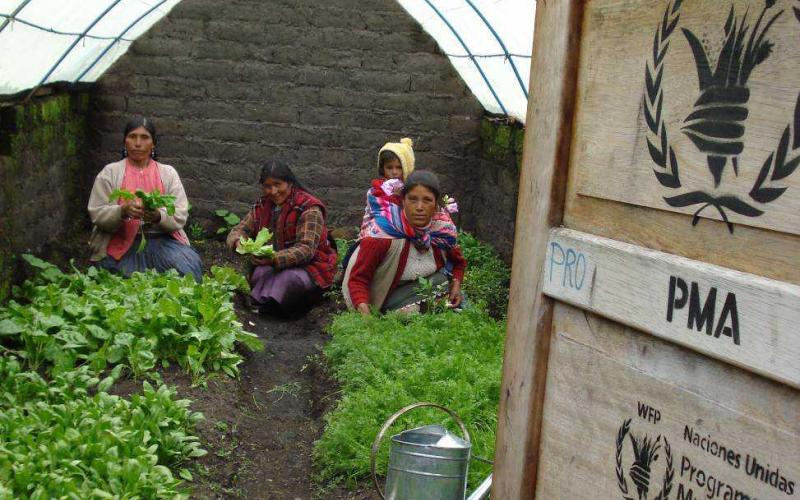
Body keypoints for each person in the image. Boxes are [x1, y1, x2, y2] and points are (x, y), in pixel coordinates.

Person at [87, 116, 202, 280]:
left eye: (144, 137)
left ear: (153, 143)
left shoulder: (168, 174)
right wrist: (122, 211)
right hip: (121, 243)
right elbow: (97, 213)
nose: (138, 143)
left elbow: (180, 214)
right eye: (132, 137)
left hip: (163, 243)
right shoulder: (110, 173)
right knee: (116, 277)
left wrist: (158, 216)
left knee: (187, 270)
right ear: (125, 142)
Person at [343, 170, 466, 315]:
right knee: (415, 312)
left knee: (444, 284)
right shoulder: (383, 234)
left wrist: (456, 285)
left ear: (436, 204)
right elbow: (358, 280)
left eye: (427, 200)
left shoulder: (442, 231)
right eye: (412, 199)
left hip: (413, 290)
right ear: (402, 200)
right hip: (378, 296)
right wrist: (366, 318)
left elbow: (459, 262)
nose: (419, 207)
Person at [227, 160, 337, 315]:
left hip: (310, 266)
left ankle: (283, 311)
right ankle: (264, 307)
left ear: (290, 183)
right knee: (259, 274)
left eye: (278, 184)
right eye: (267, 186)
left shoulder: (309, 208)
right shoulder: (263, 206)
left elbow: (306, 249)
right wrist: (240, 243)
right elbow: (238, 230)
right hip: (274, 264)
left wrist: (274, 258)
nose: (273, 191)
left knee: (287, 280)